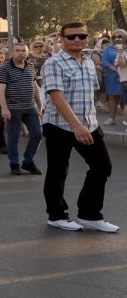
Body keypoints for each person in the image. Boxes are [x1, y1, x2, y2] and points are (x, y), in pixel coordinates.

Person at [40, 22, 117, 233]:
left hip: (89, 124)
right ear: (62, 39)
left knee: (102, 166)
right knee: (58, 171)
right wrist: (76, 126)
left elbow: (90, 95)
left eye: (81, 36)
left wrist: (89, 123)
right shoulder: (54, 63)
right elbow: (56, 97)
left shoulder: (90, 62)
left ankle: (90, 214)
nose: (77, 40)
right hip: (60, 125)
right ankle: (56, 216)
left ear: (87, 38)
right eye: (72, 37)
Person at [0, 41, 43, 176]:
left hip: (30, 106)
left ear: (27, 52)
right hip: (13, 107)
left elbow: (34, 86)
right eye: (18, 50)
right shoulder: (5, 68)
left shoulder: (30, 66)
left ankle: (28, 161)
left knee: (37, 134)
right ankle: (14, 163)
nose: (21, 53)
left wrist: (40, 104)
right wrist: (4, 109)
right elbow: (0, 91)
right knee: (13, 137)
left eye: (23, 50)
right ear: (12, 53)